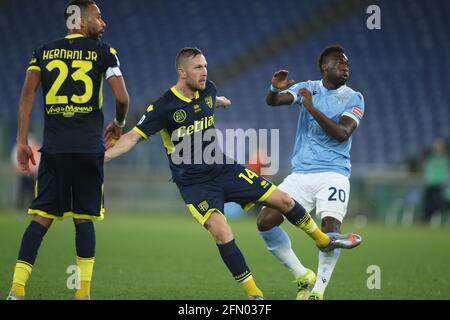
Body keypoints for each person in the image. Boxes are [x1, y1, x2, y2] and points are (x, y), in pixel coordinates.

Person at [105, 47, 360, 300]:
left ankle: (323, 241)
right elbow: (131, 139)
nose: (205, 72)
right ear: (182, 72)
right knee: (222, 231)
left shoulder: (209, 90)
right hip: (195, 184)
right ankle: (254, 294)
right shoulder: (162, 107)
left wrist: (219, 101)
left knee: (283, 200)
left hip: (223, 168)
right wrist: (101, 157)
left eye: (205, 66)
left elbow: (204, 102)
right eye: (198, 68)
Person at [7, 0, 129, 300]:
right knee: (83, 220)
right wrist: (118, 122)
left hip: (55, 150)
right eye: (98, 17)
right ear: (81, 21)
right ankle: (82, 294)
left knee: (40, 218)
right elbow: (123, 97)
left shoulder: (43, 52)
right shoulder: (105, 52)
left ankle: (16, 290)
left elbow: (26, 96)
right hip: (88, 150)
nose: (103, 23)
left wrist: (22, 141)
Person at [256, 44, 365, 300]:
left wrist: (312, 109)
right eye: (339, 62)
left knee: (329, 231)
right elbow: (274, 102)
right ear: (324, 67)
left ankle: (318, 292)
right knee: (265, 221)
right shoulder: (309, 87)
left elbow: (342, 133)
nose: (345, 65)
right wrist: (274, 88)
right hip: (300, 175)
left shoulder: (354, 97)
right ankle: (302, 274)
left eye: (346, 62)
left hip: (333, 174)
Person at [422, 138, 449, 222]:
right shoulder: (430, 158)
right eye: (436, 145)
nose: (437, 147)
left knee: (438, 203)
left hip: (441, 184)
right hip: (430, 183)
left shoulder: (446, 158)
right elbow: (426, 169)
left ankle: (437, 219)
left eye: (439, 145)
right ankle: (426, 218)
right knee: (428, 202)